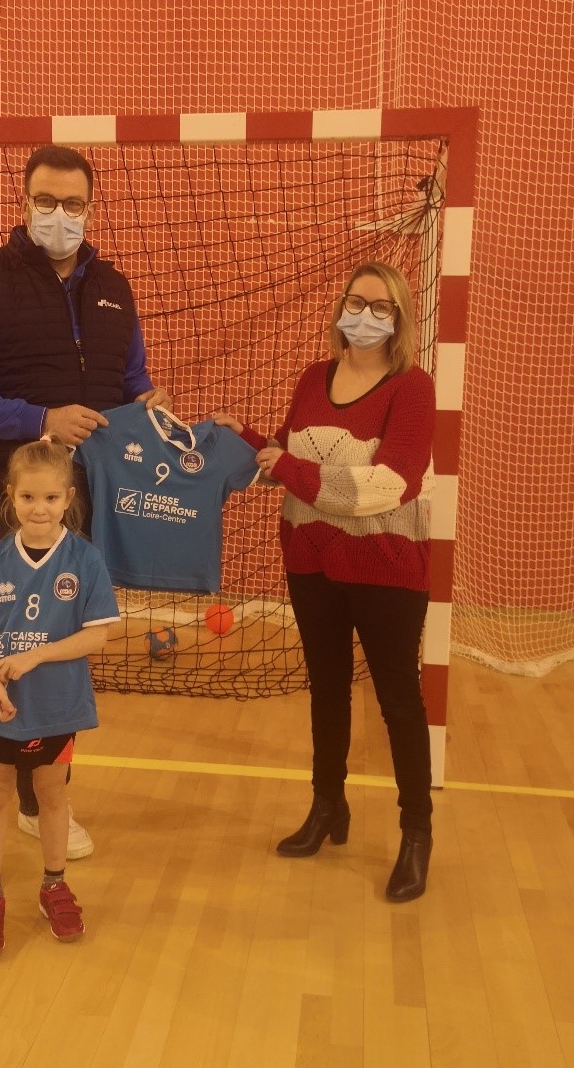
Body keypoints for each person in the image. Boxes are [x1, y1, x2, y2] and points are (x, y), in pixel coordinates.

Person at [0, 144, 170, 909]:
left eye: (74, 204)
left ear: (91, 208)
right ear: (24, 200)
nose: (59, 216)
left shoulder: (114, 289)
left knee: (59, 663)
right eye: (46, 200)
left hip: (81, 510)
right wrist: (40, 420)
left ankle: (37, 806)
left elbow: (132, 390)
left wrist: (176, 424)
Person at [215, 262, 436, 902]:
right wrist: (242, 441)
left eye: (380, 306)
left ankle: (416, 833)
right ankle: (327, 807)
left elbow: (389, 486)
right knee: (326, 690)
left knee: (399, 700)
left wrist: (288, 465)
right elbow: (291, 456)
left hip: (387, 567)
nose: (363, 314)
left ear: (399, 320)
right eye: (354, 301)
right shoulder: (315, 378)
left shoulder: (412, 388)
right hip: (310, 561)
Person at [0, 435, 119, 957]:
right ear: (10, 496)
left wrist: (35, 656)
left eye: (51, 498)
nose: (40, 508)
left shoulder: (85, 559)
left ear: (68, 498)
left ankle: (54, 883)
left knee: (52, 796)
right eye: (28, 497)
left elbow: (97, 634)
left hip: (58, 705)